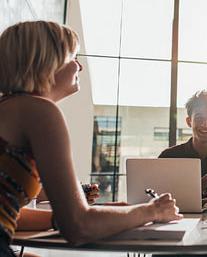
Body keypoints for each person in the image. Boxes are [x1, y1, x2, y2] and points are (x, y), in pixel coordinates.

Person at [0, 21, 182, 256]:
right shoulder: (39, 112)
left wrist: (105, 214)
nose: (79, 67)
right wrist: (153, 211)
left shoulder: (8, 108)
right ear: (46, 62)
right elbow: (79, 227)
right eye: (72, 57)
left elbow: (13, 215)